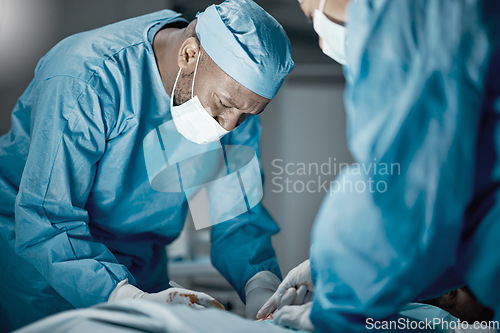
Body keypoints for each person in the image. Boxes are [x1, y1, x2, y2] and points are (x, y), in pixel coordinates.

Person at [0, 0, 294, 330]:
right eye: (224, 106)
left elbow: (233, 213)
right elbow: (46, 215)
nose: (228, 125)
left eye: (246, 116)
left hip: (141, 276)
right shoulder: (87, 80)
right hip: (43, 274)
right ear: (189, 54)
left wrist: (261, 287)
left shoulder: (237, 103)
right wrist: (124, 297)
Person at [258, 0, 500, 331]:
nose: (320, 38)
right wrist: (329, 269)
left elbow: (402, 196)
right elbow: (453, 205)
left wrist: (341, 286)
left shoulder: (414, 14)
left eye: (313, 13)